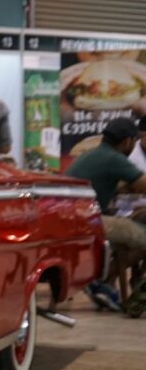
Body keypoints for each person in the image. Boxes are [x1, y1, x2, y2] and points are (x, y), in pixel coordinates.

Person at [66, 117, 146, 312]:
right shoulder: (114, 158)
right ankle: (100, 281)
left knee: (132, 231)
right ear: (127, 141)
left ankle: (104, 283)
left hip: (70, 218)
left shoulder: (92, 154)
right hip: (90, 220)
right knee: (141, 237)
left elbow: (110, 185)